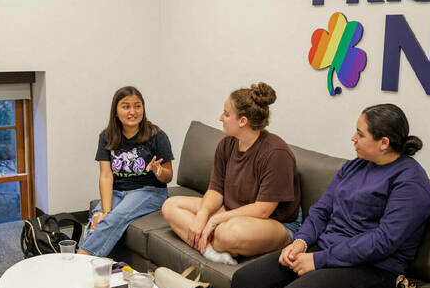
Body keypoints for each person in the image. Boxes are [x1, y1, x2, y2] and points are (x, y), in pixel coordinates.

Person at [211, 103, 430, 288]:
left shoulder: (411, 183)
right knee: (245, 279)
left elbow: (383, 242)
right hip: (325, 249)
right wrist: (300, 242)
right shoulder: (355, 167)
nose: (353, 137)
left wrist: (318, 260)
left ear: (384, 142)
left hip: (373, 269)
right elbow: (322, 210)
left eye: (360, 134)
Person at [162, 82, 301, 265]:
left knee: (227, 233)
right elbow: (215, 190)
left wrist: (216, 220)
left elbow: (263, 209)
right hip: (233, 210)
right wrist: (204, 214)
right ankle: (210, 250)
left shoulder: (276, 154)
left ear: (243, 121)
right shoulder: (227, 144)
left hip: (275, 222)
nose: (221, 118)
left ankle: (212, 240)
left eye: (227, 114)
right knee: (170, 206)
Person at [78, 86, 174, 257]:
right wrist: (105, 212)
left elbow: (168, 176)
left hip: (149, 191)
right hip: (117, 191)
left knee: (113, 219)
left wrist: (159, 172)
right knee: (97, 219)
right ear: (116, 111)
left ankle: (81, 261)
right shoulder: (107, 136)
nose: (133, 112)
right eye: (126, 106)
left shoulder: (157, 136)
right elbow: (106, 176)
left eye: (137, 106)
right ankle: (94, 271)